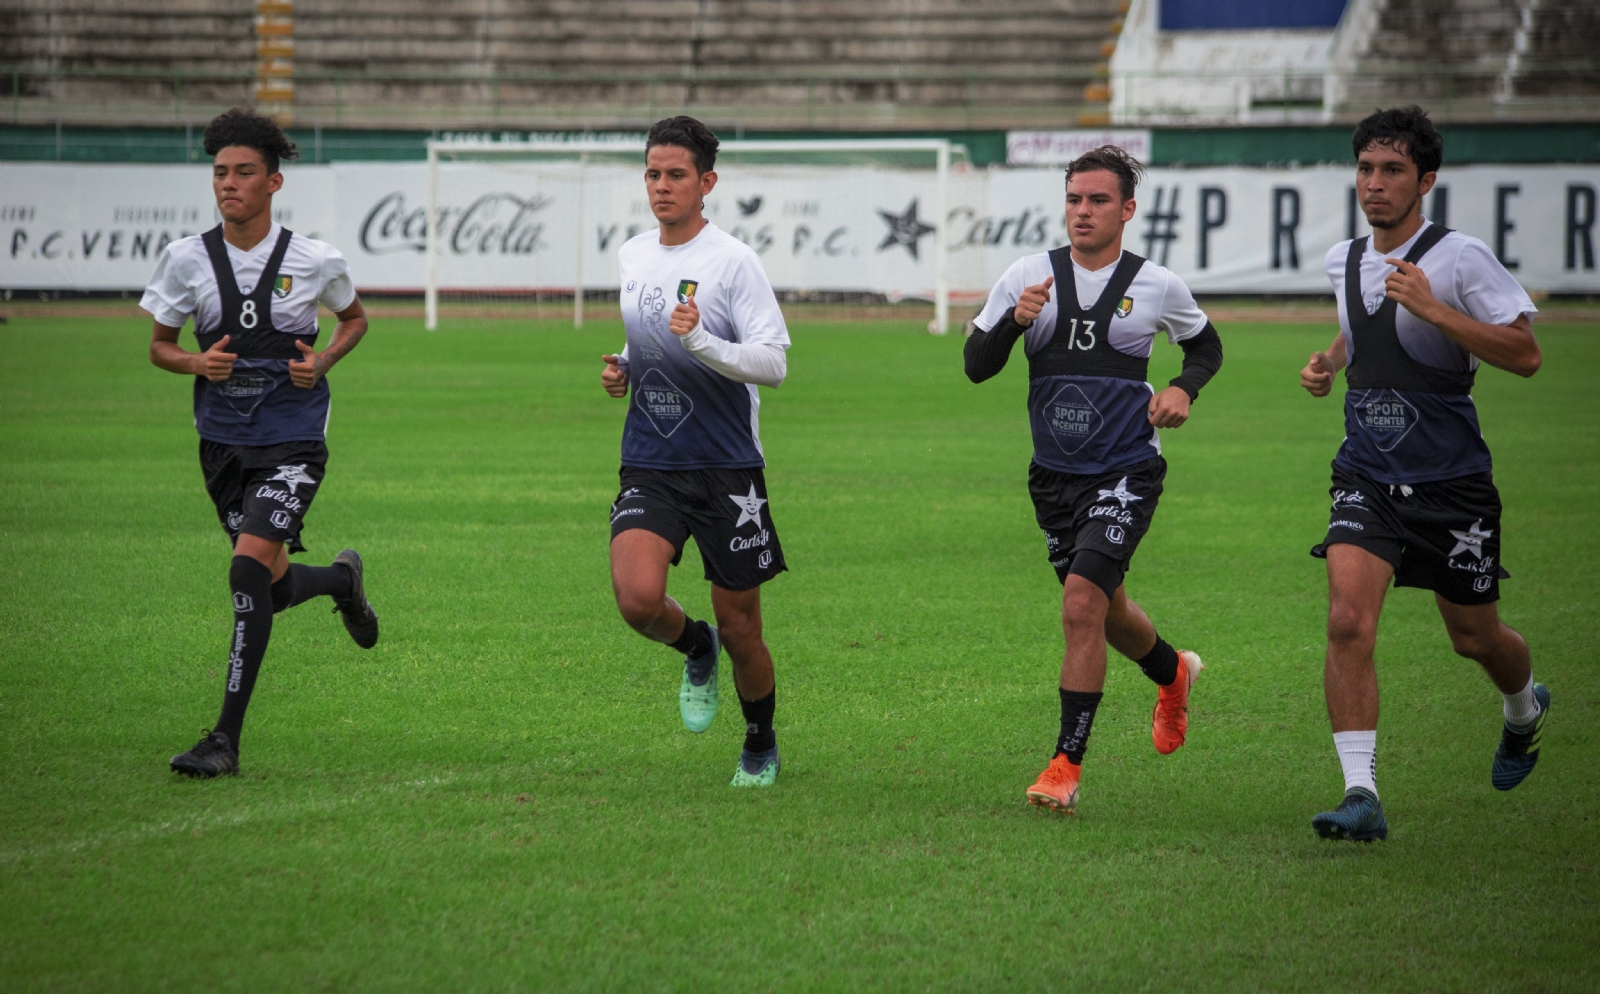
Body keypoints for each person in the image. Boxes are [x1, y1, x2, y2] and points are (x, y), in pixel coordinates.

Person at [1300, 106, 1545, 842]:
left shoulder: (1460, 257)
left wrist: (1438, 311)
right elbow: (1360, 324)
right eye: (1366, 169)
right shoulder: (1343, 258)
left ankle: (1524, 707)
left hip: (1451, 482)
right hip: (1366, 473)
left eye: (1393, 170)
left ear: (1426, 180)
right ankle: (1360, 794)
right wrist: (1329, 363)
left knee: (1475, 638)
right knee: (1347, 621)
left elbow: (1525, 353)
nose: (1375, 184)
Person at [965, 145, 1224, 813]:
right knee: (1105, 610)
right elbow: (975, 363)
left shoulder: (1156, 283)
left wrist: (1182, 388)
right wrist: (1016, 324)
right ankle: (1172, 674)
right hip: (1053, 478)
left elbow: (1205, 344)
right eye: (1075, 199)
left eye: (1098, 200)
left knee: (1082, 601)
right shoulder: (1029, 275)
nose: (1083, 211)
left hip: (1126, 470)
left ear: (1127, 209)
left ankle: (1064, 764)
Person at [143, 107, 379, 778]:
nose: (229, 184)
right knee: (268, 588)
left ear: (273, 183)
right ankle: (340, 580)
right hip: (221, 445)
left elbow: (355, 320)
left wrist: (324, 361)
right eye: (220, 173)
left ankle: (224, 740)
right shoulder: (185, 259)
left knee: (246, 570)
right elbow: (160, 347)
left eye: (245, 172)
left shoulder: (314, 258)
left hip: (293, 440)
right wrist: (195, 363)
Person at [600, 116, 791, 787]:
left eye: (676, 174)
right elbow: (652, 338)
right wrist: (625, 365)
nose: (661, 186)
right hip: (651, 455)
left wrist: (703, 343)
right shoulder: (633, 255)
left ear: (706, 182)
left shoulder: (733, 262)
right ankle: (693, 643)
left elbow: (773, 363)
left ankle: (761, 740)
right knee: (637, 599)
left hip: (727, 467)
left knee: (743, 627)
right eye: (652, 173)